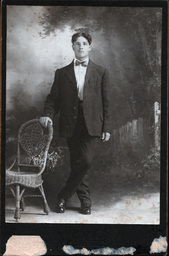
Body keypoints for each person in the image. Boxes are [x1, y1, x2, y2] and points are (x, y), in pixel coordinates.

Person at [40, 32, 112, 215]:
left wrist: (107, 127)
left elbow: (107, 102)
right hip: (70, 122)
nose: (81, 47)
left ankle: (63, 196)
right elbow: (53, 99)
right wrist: (48, 114)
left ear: (90, 47)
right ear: (72, 47)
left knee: (86, 160)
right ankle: (85, 202)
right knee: (77, 162)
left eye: (84, 43)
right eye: (77, 43)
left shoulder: (101, 72)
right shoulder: (62, 73)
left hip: (93, 122)